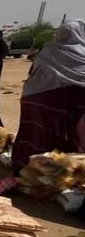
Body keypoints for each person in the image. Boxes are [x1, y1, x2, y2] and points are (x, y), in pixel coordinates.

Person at [11, 19, 85, 171]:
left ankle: (29, 167)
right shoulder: (82, 55)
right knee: (64, 136)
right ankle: (61, 171)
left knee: (36, 134)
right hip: (67, 104)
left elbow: (33, 73)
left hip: (37, 98)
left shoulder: (48, 51)